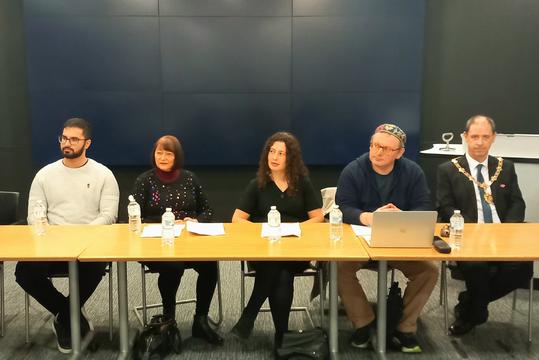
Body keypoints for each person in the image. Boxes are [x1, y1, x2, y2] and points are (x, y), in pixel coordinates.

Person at [15, 118, 120, 353]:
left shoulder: (104, 174)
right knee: (24, 271)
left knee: (95, 266)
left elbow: (109, 216)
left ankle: (64, 319)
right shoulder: (45, 174)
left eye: (74, 139)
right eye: (64, 138)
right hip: (52, 244)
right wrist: (52, 236)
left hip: (89, 245)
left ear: (87, 143)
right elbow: (34, 215)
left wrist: (82, 237)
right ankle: (70, 315)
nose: (67, 143)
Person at [335, 123, 438, 353]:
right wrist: (369, 218)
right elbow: (343, 208)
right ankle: (364, 323)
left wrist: (402, 217)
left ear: (399, 153)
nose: (378, 152)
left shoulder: (412, 172)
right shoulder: (354, 170)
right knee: (339, 267)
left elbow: (423, 206)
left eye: (385, 148)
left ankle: (405, 326)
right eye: (374, 145)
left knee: (428, 271)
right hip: (359, 242)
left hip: (397, 241)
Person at [436, 114, 531, 336]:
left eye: (485, 137)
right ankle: (475, 313)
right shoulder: (448, 169)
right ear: (465, 137)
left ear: (493, 138)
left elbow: (517, 203)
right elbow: (445, 207)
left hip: (503, 236)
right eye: (475, 136)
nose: (480, 142)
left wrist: (505, 230)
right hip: (468, 236)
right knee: (475, 267)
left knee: (522, 268)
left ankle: (469, 304)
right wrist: (473, 230)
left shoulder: (505, 167)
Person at [230, 131, 324, 350]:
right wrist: (262, 230)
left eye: (281, 153)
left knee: (278, 268)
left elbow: (319, 217)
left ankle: (249, 316)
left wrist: (294, 228)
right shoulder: (258, 184)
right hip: (264, 249)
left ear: (291, 158)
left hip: (295, 248)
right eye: (272, 151)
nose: (274, 157)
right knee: (280, 274)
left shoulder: (302, 183)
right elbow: (237, 219)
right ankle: (282, 338)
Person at [132, 135, 223, 345]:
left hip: (187, 241)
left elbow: (207, 210)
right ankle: (168, 320)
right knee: (173, 266)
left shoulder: (190, 178)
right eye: (159, 152)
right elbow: (135, 217)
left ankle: (200, 321)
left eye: (168, 153)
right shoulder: (144, 180)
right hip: (155, 244)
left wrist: (195, 219)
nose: (162, 157)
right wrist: (162, 224)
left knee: (210, 265)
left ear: (177, 156)